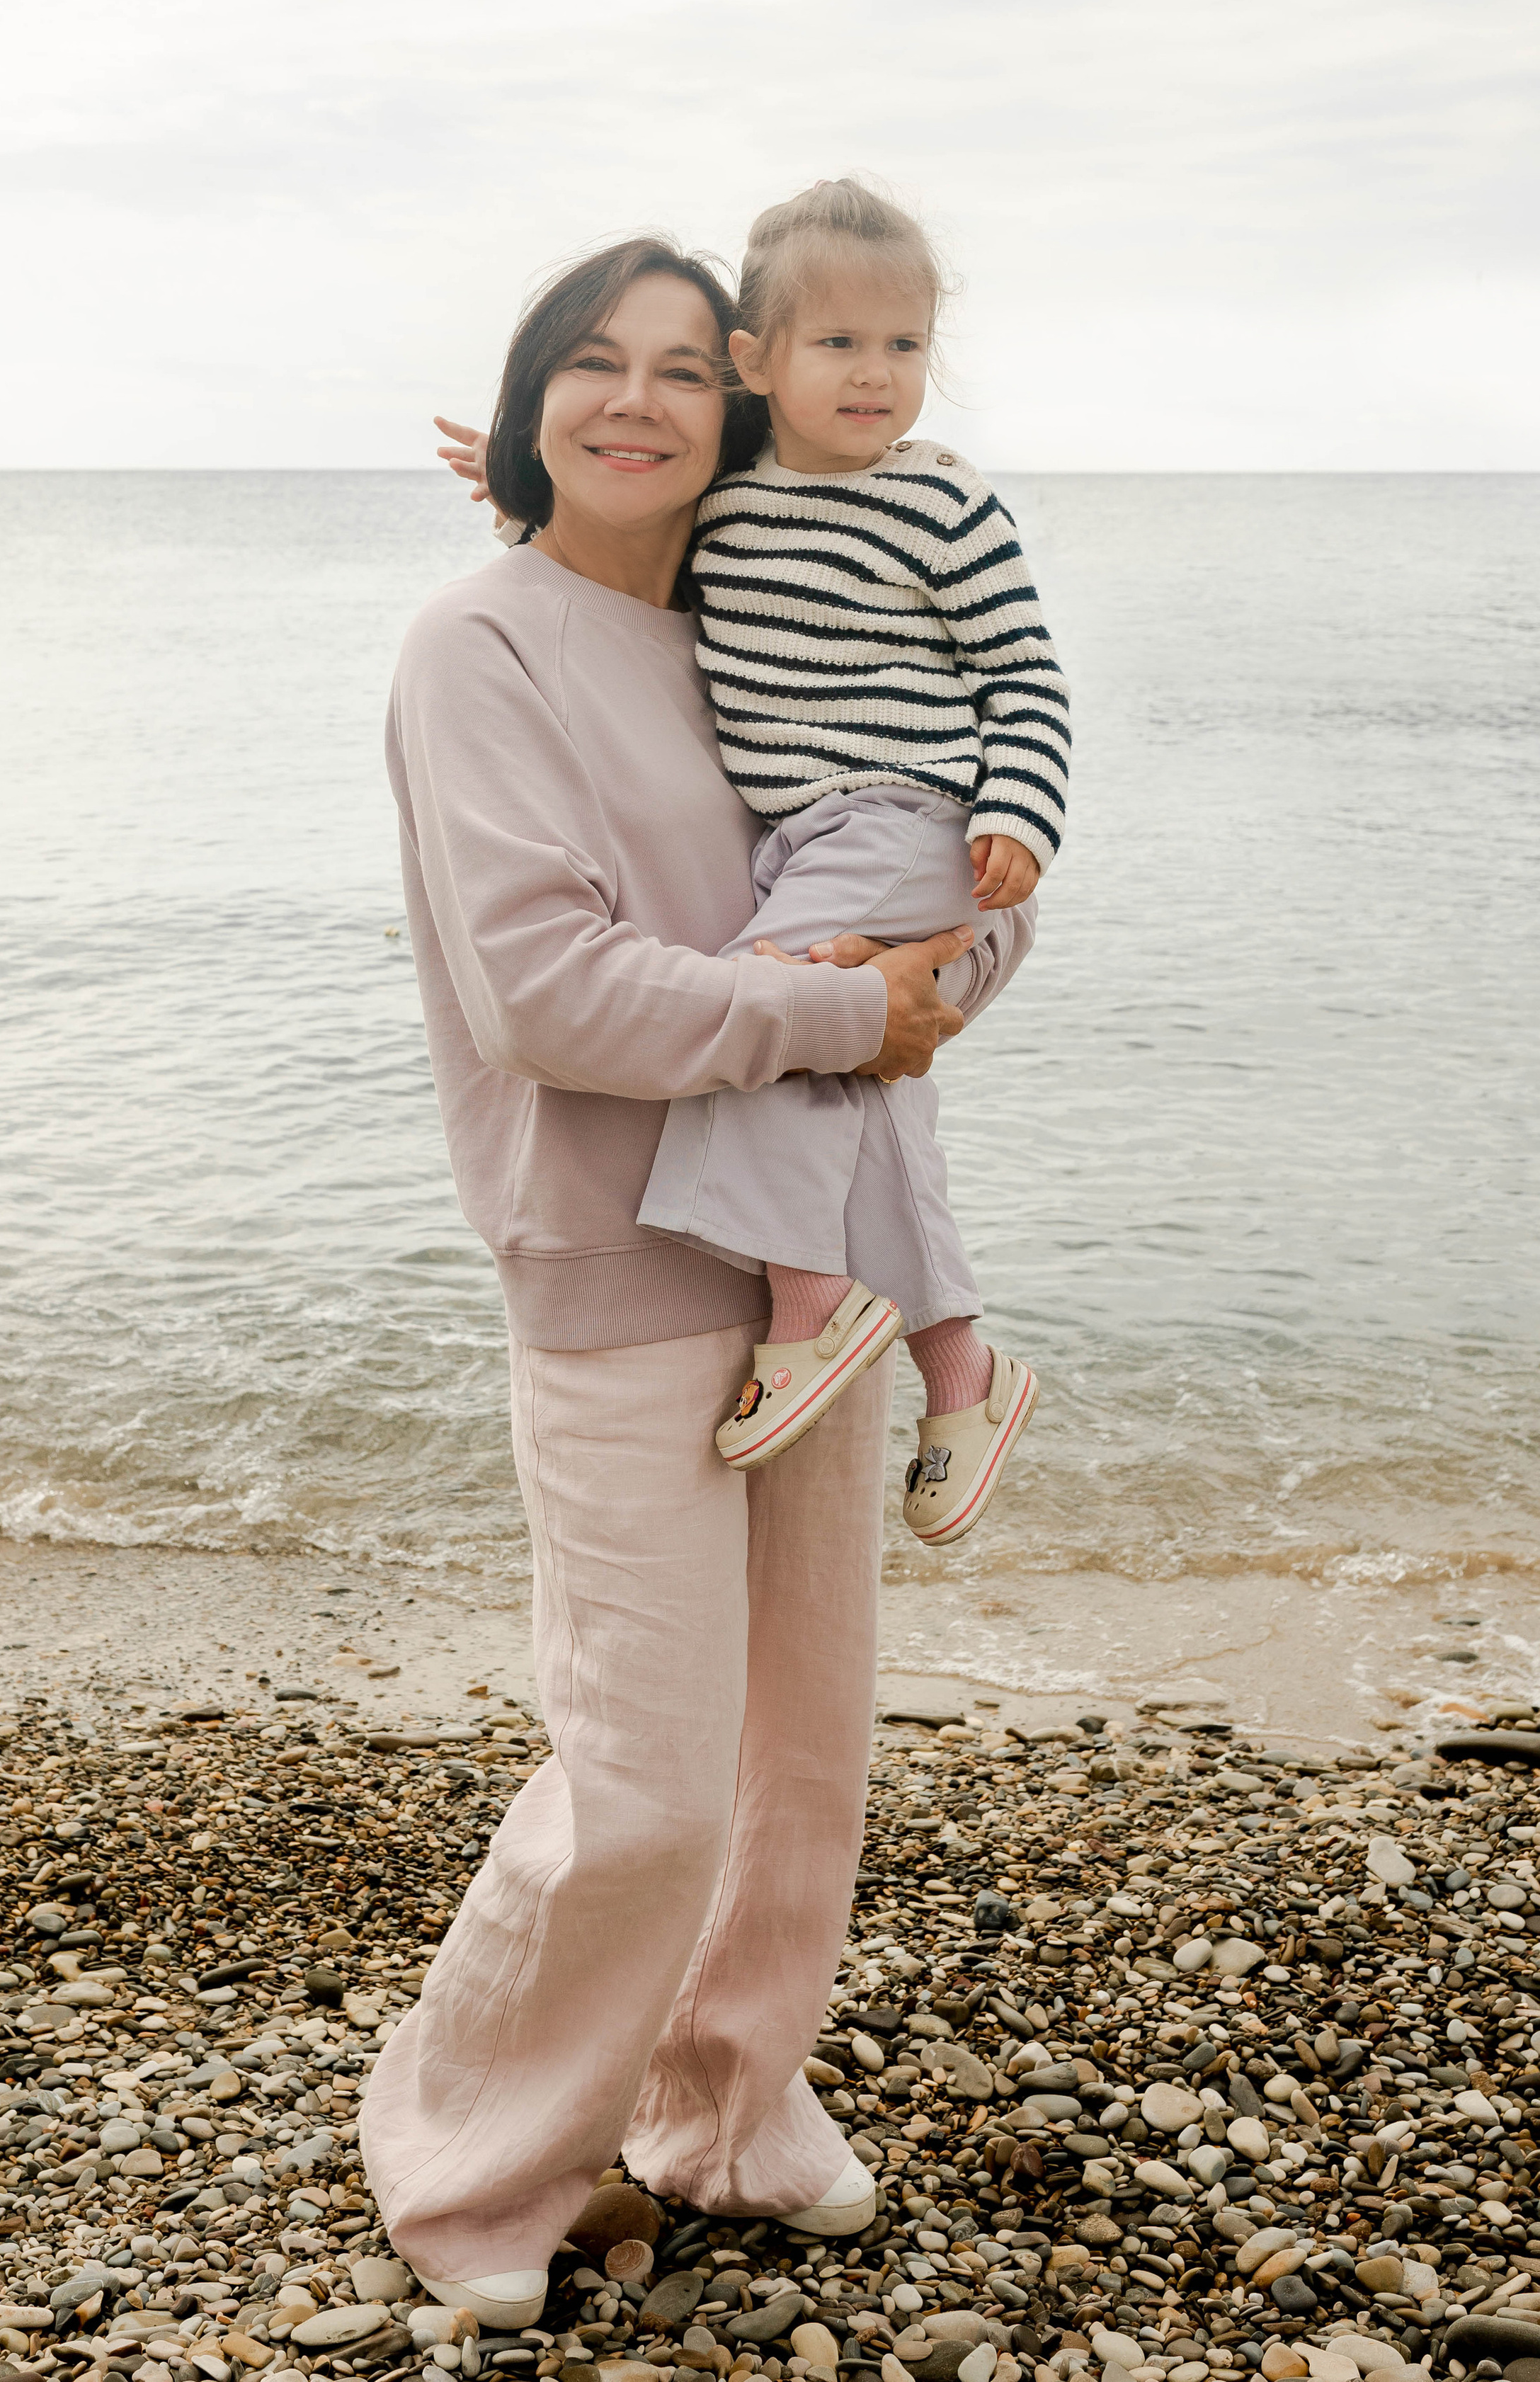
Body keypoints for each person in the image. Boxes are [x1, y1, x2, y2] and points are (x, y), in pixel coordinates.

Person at [372, 234, 1035, 2329]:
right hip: (616, 1258)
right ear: (533, 394)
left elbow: (927, 875)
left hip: (809, 1258)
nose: (635, 398)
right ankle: (476, 2158)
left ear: (741, 405)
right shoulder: (479, 645)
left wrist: (950, 966)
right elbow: (554, 994)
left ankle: (731, 2101)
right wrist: (849, 1010)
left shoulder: (768, 622)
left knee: (801, 1747)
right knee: (645, 1774)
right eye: (594, 362)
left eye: (679, 366)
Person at [639, 178, 1067, 1539]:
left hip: (902, 812)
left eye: (905, 345)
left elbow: (1028, 678)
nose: (877, 374)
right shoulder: (723, 498)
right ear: (758, 364)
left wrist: (1018, 814)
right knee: (855, 1074)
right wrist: (514, 487)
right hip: (806, 834)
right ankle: (961, 1370)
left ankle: (808, 1305)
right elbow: (617, 506)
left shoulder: (941, 507)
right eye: (839, 345)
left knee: (760, 998)